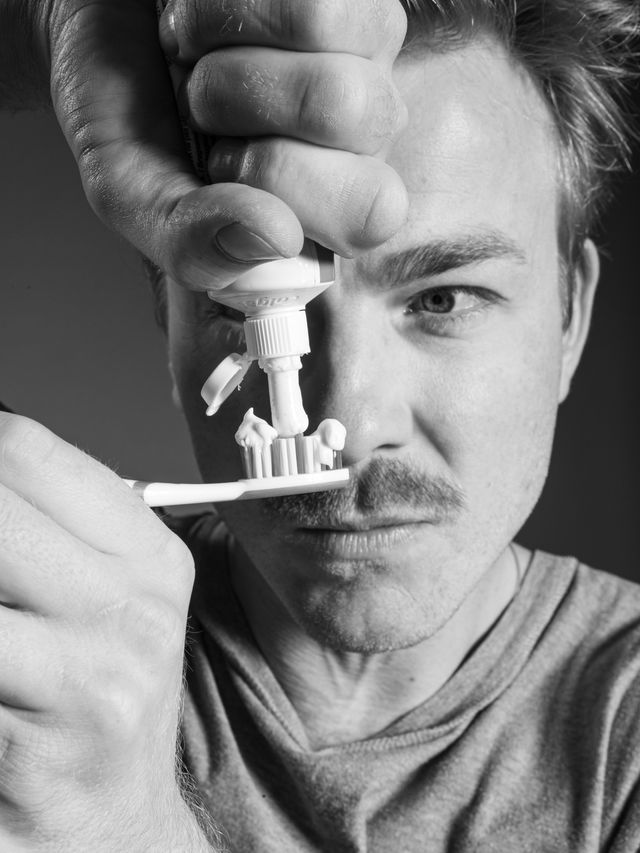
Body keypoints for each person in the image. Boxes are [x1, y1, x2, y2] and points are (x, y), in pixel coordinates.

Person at [1, 0, 639, 850]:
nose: (349, 423)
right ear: (167, 313)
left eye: (443, 300)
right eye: (238, 303)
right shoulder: (34, 675)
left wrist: (117, 825)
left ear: (571, 318)